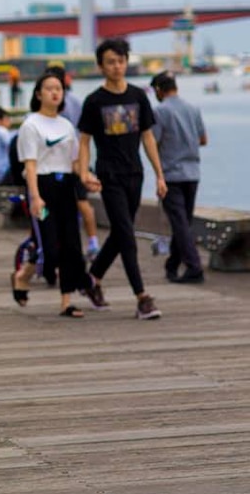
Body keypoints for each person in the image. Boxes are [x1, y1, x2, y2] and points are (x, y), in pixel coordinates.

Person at [77, 38, 168, 320]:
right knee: (126, 235)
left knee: (120, 232)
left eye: (121, 60)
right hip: (109, 174)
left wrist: (160, 174)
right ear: (101, 66)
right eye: (111, 62)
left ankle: (91, 279)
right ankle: (142, 298)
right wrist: (83, 172)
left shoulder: (138, 97)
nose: (117, 66)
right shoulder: (95, 101)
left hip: (135, 173)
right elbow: (84, 141)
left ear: (126, 62)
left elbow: (148, 137)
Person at [14, 71, 100, 317]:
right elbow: (30, 165)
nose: (55, 92)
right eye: (49, 88)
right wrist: (35, 196)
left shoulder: (66, 126)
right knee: (48, 249)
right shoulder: (31, 125)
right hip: (42, 186)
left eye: (59, 89)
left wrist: (87, 178)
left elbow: (74, 162)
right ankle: (22, 276)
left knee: (72, 247)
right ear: (39, 93)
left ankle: (67, 302)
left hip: (66, 187)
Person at [150, 71, 208, 283]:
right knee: (183, 222)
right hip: (192, 173)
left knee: (179, 222)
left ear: (158, 90)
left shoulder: (159, 112)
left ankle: (194, 267)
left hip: (171, 175)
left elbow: (153, 143)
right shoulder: (193, 109)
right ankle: (173, 264)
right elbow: (203, 139)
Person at [45, 64, 100, 260]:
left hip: (62, 163)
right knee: (82, 202)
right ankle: (93, 241)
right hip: (78, 159)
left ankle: (46, 246)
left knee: (50, 208)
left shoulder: (53, 105)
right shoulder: (76, 101)